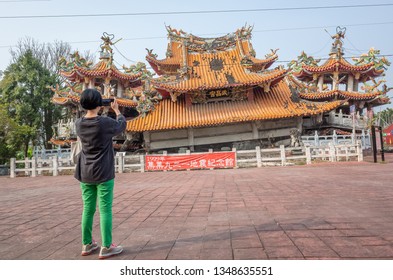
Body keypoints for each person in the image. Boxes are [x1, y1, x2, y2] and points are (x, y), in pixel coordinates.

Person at [74, 88, 126, 259]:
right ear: (98, 103)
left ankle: (87, 244)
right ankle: (107, 246)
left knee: (87, 209)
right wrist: (117, 111)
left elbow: (91, 119)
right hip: (104, 172)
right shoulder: (104, 122)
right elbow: (121, 126)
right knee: (105, 210)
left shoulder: (79, 124)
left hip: (85, 172)